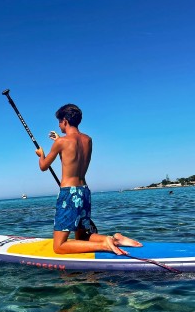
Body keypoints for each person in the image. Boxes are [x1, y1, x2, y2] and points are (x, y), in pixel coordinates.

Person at [35, 104, 142, 255]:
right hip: (84, 192)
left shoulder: (61, 143)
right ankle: (115, 239)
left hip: (69, 194)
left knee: (59, 246)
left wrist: (41, 154)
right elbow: (72, 154)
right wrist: (59, 140)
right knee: (83, 236)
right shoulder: (88, 140)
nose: (59, 125)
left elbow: (44, 166)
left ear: (65, 121)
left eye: (59, 122)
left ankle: (105, 244)